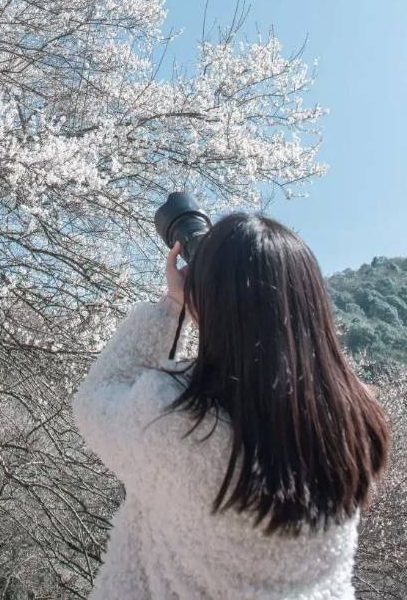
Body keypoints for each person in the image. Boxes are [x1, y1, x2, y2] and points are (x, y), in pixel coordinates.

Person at [71, 212, 392, 600]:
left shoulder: (177, 418)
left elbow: (97, 398)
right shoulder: (351, 423)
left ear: (207, 302)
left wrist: (171, 306)